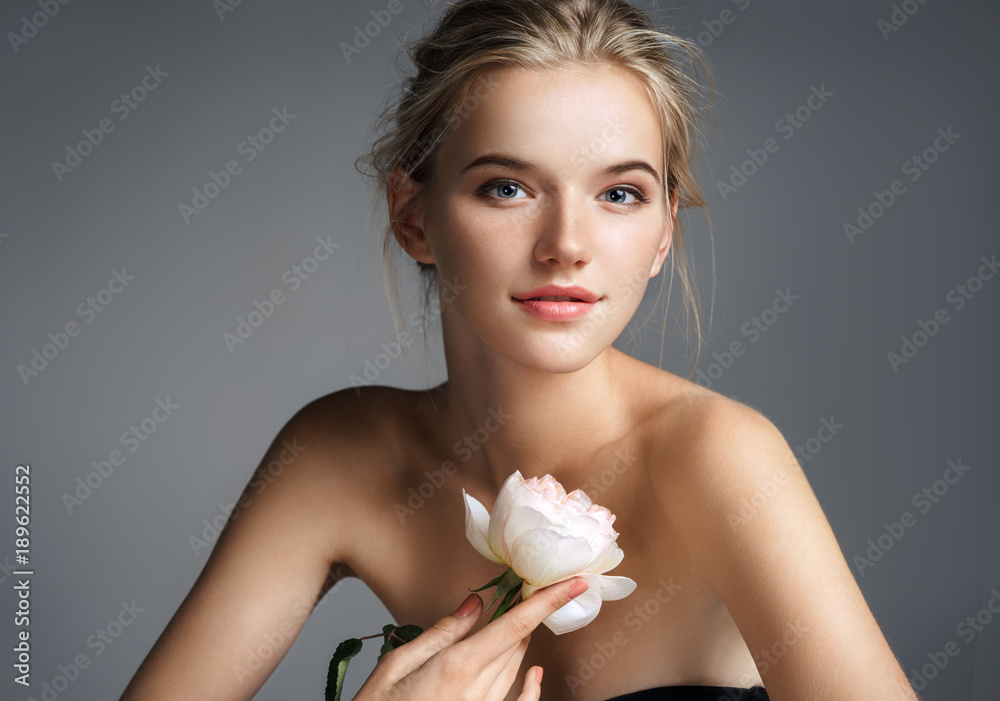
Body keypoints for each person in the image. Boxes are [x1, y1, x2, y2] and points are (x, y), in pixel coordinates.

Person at [121, 1, 919, 699]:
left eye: (620, 193)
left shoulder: (721, 457)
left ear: (663, 232)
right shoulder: (338, 454)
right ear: (414, 216)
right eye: (508, 187)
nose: (567, 245)